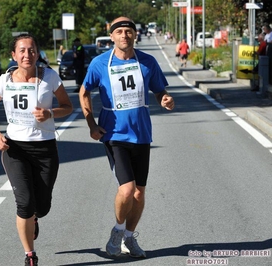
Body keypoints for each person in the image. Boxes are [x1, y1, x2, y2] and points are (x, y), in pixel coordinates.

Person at [78, 16, 175, 259]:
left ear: (135, 35)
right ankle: (117, 231)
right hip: (114, 133)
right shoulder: (100, 64)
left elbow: (160, 90)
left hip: (141, 134)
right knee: (127, 189)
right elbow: (84, 91)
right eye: (119, 31)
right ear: (112, 36)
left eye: (128, 31)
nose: (124, 35)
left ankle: (129, 237)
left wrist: (165, 99)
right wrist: (91, 123)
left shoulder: (147, 62)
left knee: (139, 193)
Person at [0, 33, 73, 266]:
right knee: (24, 203)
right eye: (22, 50)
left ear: (38, 53)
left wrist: (50, 113)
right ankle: (30, 255)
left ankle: (35, 218)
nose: (27, 55)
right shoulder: (5, 80)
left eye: (31, 50)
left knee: (41, 206)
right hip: (15, 148)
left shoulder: (49, 77)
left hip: (45, 148)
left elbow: (67, 106)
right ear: (13, 55)